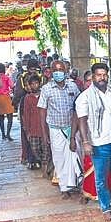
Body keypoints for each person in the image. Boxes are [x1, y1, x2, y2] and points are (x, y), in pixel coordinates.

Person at [74, 63, 111, 222]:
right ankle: (105, 207)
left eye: (104, 74)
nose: (102, 78)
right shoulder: (84, 97)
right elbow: (82, 121)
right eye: (98, 75)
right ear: (93, 77)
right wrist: (86, 142)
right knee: (101, 178)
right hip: (99, 143)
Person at [37, 60, 82, 199]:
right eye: (55, 70)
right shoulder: (46, 89)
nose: (58, 73)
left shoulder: (73, 87)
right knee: (60, 159)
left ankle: (77, 184)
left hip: (72, 128)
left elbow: (79, 106)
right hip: (55, 129)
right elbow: (42, 111)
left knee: (76, 156)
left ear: (65, 71)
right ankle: (64, 187)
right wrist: (45, 134)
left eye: (61, 70)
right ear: (51, 72)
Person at [22, 74, 49, 172]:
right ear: (29, 85)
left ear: (39, 84)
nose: (34, 85)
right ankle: (42, 162)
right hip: (33, 129)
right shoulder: (28, 98)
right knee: (35, 149)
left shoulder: (44, 95)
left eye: (36, 83)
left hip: (45, 128)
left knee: (46, 148)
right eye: (32, 84)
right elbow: (26, 114)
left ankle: (46, 167)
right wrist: (27, 131)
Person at [0, 63, 15, 141]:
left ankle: (3, 135)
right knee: (10, 117)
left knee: (1, 117)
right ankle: (8, 134)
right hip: (6, 97)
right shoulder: (6, 78)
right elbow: (11, 86)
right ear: (4, 69)